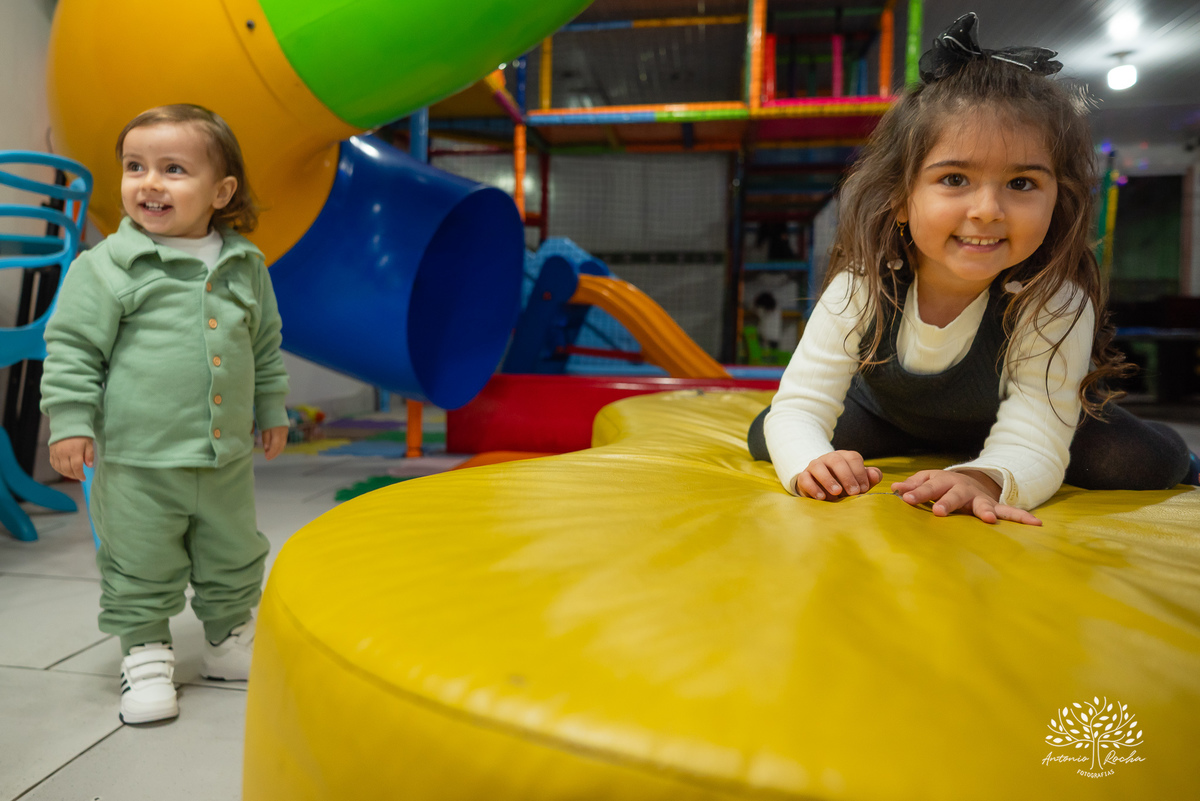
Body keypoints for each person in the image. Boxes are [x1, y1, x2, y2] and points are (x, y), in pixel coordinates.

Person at [748, 14, 1198, 527]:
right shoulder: (863, 285)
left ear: (1058, 199)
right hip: (890, 418)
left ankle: (1182, 455)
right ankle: (960, 447)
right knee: (769, 435)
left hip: (1018, 417)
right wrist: (814, 463)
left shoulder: (1051, 297)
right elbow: (800, 406)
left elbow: (1036, 433)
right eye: (955, 178)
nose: (987, 209)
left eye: (1022, 184)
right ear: (900, 198)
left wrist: (986, 477)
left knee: (1137, 460)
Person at [41, 104, 290, 724]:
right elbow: (72, 347)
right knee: (140, 559)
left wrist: (271, 406)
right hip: (137, 460)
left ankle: (227, 641)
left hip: (225, 458)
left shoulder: (245, 265)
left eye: (173, 168)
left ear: (220, 191)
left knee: (234, 553)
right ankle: (146, 655)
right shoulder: (106, 268)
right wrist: (70, 419)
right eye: (134, 167)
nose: (148, 182)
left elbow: (263, 344)